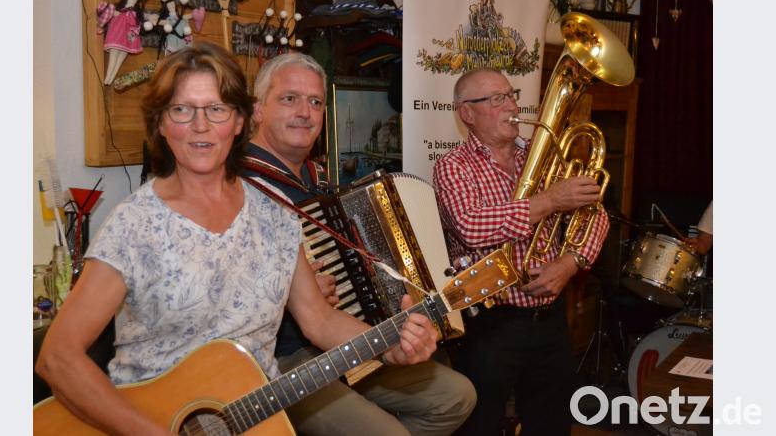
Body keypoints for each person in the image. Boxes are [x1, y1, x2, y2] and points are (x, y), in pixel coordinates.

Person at [35, 43, 439, 435]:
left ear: (240, 121)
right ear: (160, 123)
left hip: (254, 417)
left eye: (216, 109)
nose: (200, 126)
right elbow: (57, 358)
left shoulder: (275, 217)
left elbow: (319, 319)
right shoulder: (135, 225)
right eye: (182, 109)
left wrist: (388, 345)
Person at [241, 51, 476, 436]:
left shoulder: (316, 180)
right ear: (258, 109)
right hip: (280, 358)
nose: (305, 111)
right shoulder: (240, 184)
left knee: (456, 395)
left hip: (334, 337)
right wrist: (285, 291)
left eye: (315, 102)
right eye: (289, 99)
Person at [433, 68, 610, 436]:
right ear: (467, 113)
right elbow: (471, 227)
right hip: (490, 322)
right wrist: (547, 201)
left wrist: (570, 263)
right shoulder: (453, 166)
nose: (511, 105)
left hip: (550, 319)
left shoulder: (544, 154)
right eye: (496, 99)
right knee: (479, 424)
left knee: (552, 425)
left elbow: (597, 216)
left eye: (511, 95)